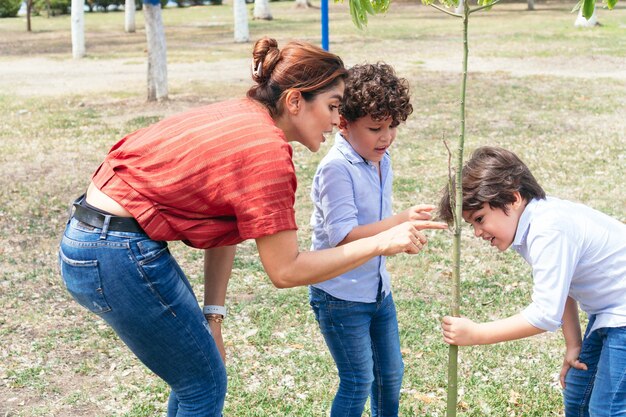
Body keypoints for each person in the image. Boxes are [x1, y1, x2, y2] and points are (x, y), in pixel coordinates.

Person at [58, 37, 432, 417]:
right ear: (295, 101)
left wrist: (213, 316)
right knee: (203, 385)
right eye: (333, 107)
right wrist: (381, 242)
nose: (338, 121)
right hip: (116, 250)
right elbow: (285, 271)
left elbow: (226, 228)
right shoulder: (267, 151)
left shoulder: (245, 115)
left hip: (92, 240)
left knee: (196, 379)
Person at [438, 146, 626, 417]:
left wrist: (477, 334)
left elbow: (545, 314)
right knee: (577, 396)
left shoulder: (548, 228)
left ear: (513, 199)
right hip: (608, 310)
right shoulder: (530, 225)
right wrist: (573, 343)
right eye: (472, 225)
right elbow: (563, 288)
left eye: (480, 219)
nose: (478, 232)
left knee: (607, 410)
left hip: (620, 311)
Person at [309, 62, 447, 417]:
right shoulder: (336, 169)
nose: (386, 137)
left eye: (392, 126)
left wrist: (401, 226)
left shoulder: (381, 158)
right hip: (340, 296)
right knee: (357, 382)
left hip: (376, 290)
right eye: (375, 128)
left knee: (390, 376)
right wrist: (397, 224)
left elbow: (375, 223)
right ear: (343, 122)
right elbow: (343, 236)